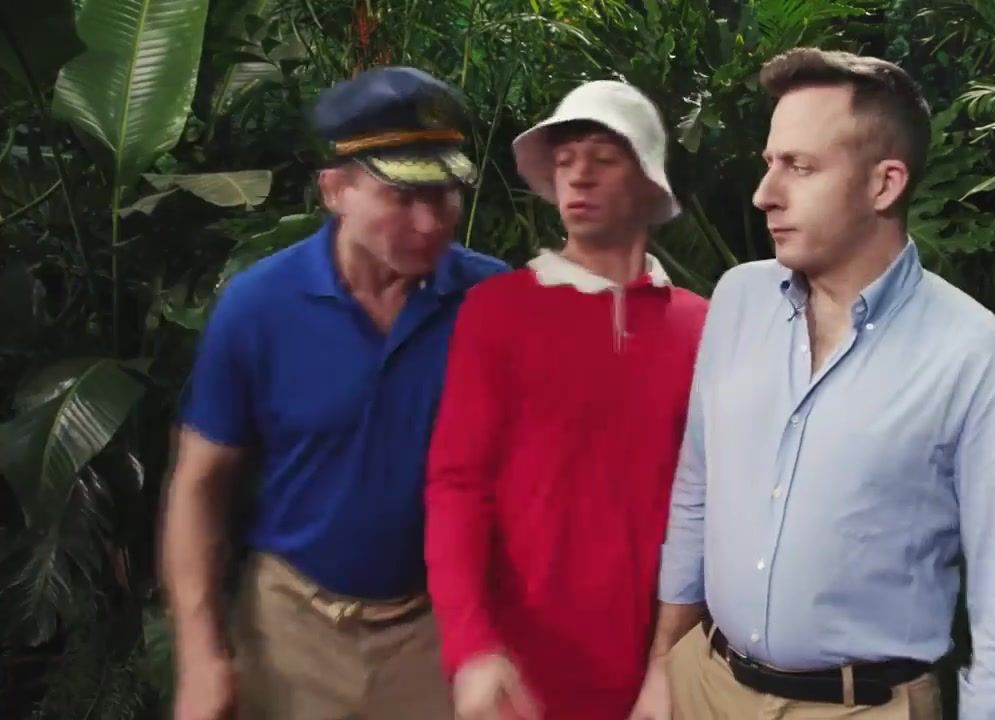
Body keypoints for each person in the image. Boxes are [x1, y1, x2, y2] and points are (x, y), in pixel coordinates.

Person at [630, 48, 995, 720]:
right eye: (769, 162)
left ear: (884, 185)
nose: (765, 193)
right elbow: (698, 489)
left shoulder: (981, 366)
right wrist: (665, 665)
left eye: (800, 166)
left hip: (859, 707)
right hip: (702, 684)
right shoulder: (739, 300)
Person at [160, 65, 508, 720]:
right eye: (403, 197)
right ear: (335, 190)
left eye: (445, 193)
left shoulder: (494, 302)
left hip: (438, 628)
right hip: (294, 628)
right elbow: (200, 484)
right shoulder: (261, 308)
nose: (431, 220)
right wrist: (201, 653)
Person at [424, 79, 710, 720]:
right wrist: (471, 646)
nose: (579, 176)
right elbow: (456, 487)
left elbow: (713, 506)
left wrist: (674, 662)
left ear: (649, 181)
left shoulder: (702, 326)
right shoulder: (498, 311)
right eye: (564, 160)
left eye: (603, 158)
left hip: (660, 673)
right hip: (519, 675)